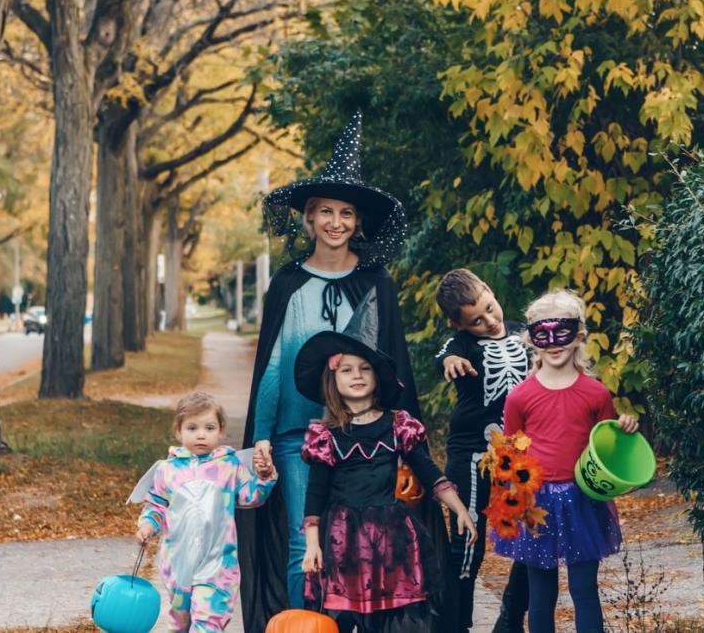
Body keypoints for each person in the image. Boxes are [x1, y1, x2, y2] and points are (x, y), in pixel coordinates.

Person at [239, 111, 432, 631]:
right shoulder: (287, 283)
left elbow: (391, 366)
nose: (336, 222)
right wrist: (259, 435)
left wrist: (402, 438)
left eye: (346, 213)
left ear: (358, 222)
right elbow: (275, 366)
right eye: (325, 211)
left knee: (365, 544)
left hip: (361, 436)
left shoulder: (376, 284)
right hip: (296, 432)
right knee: (308, 539)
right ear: (308, 218)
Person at [293, 320, 476, 633]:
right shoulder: (326, 435)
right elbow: (315, 493)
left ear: (377, 377)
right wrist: (312, 545)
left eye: (365, 368)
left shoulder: (397, 424)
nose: (357, 376)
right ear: (332, 378)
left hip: (391, 538)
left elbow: (428, 471)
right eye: (347, 370)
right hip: (342, 539)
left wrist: (458, 508)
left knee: (393, 617)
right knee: (339, 616)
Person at [495, 290, 640, 633]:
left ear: (579, 334)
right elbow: (509, 455)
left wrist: (625, 429)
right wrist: (512, 503)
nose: (552, 342)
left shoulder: (596, 393)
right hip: (536, 503)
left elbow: (606, 448)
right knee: (541, 592)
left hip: (582, 501)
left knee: (584, 589)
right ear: (531, 339)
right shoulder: (520, 397)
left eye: (561, 331)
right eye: (542, 333)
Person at [432, 269, 530, 633]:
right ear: (459, 324)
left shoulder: (525, 333)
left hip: (519, 451)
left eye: (490, 308)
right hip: (471, 450)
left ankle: (510, 617)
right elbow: (443, 354)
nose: (489, 321)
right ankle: (456, 622)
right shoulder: (461, 344)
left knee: (533, 532)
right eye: (476, 320)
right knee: (468, 535)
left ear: (490, 290)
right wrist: (449, 362)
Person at [132, 393, 277, 633]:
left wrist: (263, 478)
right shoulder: (167, 470)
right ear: (178, 431)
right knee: (180, 624)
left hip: (218, 564)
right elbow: (157, 505)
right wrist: (148, 525)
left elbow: (251, 498)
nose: (201, 434)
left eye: (209, 427)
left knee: (208, 623)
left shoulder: (230, 466)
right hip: (177, 564)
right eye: (192, 427)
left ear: (221, 431)